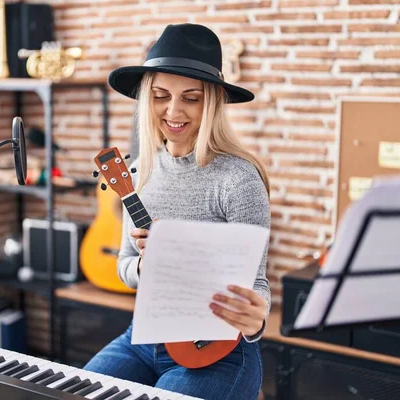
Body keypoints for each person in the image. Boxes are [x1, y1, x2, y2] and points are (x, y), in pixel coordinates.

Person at [83, 23, 271, 400]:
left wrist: (255, 317)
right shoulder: (137, 173)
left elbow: (258, 284)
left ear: (213, 102)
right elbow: (124, 265)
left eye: (191, 97)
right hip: (142, 338)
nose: (173, 111)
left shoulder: (238, 180)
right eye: (160, 95)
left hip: (217, 351)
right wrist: (142, 266)